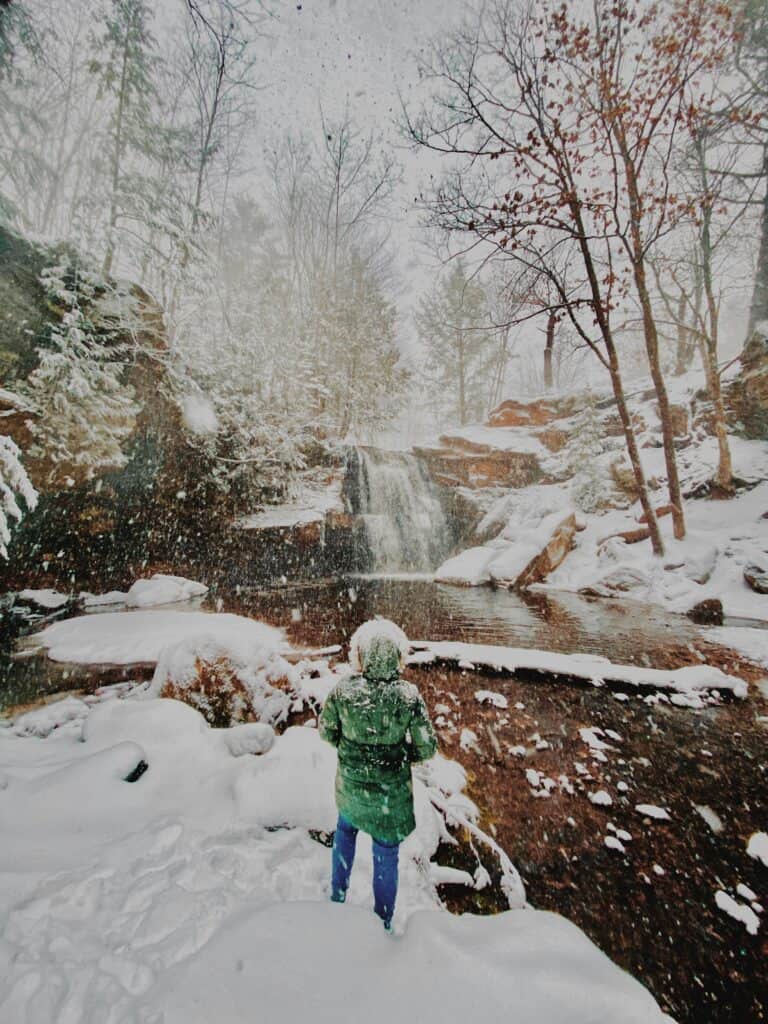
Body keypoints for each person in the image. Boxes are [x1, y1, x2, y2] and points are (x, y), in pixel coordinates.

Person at [318, 618, 437, 930]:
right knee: (385, 855)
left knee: (345, 834)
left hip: (351, 791)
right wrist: (399, 757)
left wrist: (352, 750)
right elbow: (427, 748)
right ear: (399, 656)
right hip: (390, 798)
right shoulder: (407, 696)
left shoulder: (344, 690)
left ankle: (338, 895)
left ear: (361, 655)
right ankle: (382, 920)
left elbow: (326, 732)